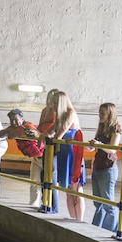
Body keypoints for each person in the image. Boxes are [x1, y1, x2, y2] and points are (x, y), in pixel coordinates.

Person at [0, 109, 45, 205]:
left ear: (22, 118)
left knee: (46, 184)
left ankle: (46, 205)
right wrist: (10, 131)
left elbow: (29, 132)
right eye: (11, 120)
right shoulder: (13, 127)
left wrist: (14, 132)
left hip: (45, 158)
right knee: (34, 182)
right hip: (35, 159)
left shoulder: (28, 126)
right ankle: (33, 204)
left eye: (15, 119)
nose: (13, 122)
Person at [50, 91, 85, 220]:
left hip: (72, 154)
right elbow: (52, 131)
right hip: (63, 154)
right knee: (68, 190)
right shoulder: (59, 116)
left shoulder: (70, 114)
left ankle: (79, 219)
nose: (52, 106)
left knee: (76, 188)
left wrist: (50, 138)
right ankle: (73, 218)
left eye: (54, 103)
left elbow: (59, 133)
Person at [89, 102, 122, 232]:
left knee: (108, 203)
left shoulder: (116, 130)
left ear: (110, 114)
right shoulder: (101, 128)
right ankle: (96, 227)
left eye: (103, 114)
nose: (100, 116)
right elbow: (96, 148)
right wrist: (90, 145)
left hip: (108, 169)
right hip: (98, 167)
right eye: (100, 113)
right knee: (98, 202)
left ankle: (110, 230)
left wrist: (99, 144)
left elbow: (112, 150)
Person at [35, 89, 59, 212]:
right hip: (45, 145)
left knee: (51, 177)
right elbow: (41, 127)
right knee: (44, 175)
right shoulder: (45, 111)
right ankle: (46, 203)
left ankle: (52, 207)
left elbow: (55, 131)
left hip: (53, 147)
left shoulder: (59, 113)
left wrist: (46, 135)